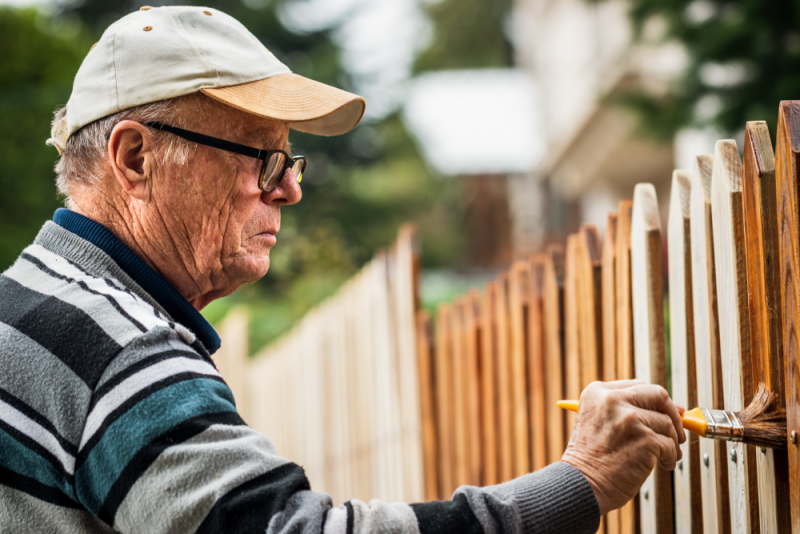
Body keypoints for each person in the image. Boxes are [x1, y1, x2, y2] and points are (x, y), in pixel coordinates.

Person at [0, 6, 685, 533]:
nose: (289, 189)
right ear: (135, 160)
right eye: (260, 159)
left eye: (288, 162)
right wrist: (581, 481)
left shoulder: (26, 306)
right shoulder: (116, 350)